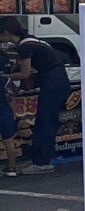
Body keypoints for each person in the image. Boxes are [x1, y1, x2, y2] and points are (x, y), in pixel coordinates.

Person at [0, 17, 71, 174]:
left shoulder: (25, 46)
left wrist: (6, 78)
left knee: (45, 122)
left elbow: (25, 73)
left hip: (53, 82)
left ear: (5, 33)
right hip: (57, 79)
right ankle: (39, 159)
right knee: (46, 120)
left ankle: (42, 162)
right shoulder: (31, 39)